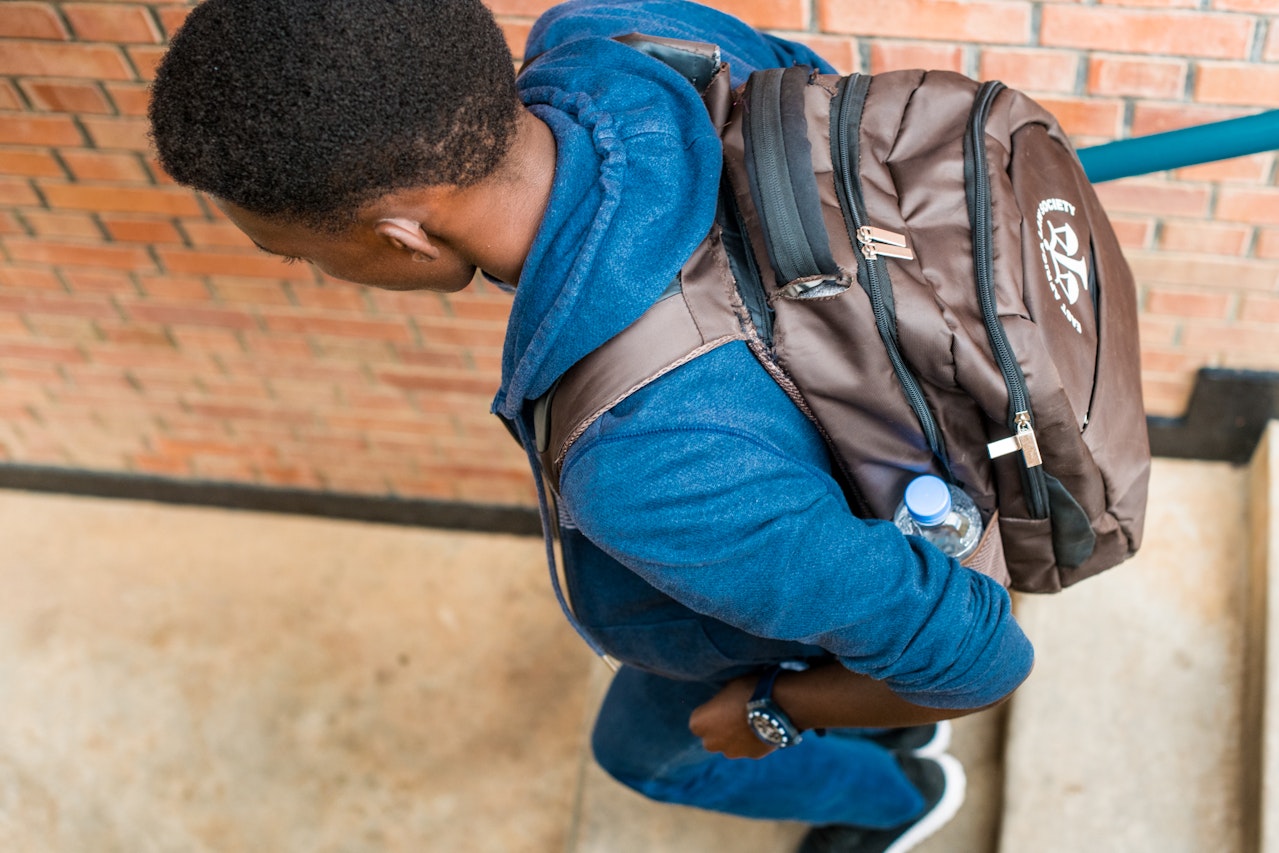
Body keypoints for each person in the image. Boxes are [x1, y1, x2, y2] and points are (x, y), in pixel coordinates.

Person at [148, 2, 1034, 850]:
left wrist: (776, 708)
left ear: (403, 236)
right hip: (896, 455)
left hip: (770, 618)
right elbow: (815, 93)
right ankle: (880, 721)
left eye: (299, 253)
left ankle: (895, 798)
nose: (311, 270)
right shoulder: (620, 32)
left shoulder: (640, 460)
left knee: (646, 756)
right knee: (870, 648)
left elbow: (978, 663)